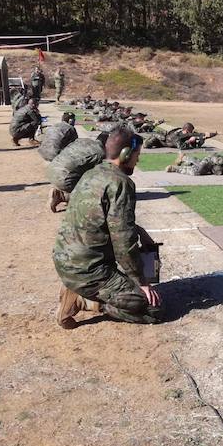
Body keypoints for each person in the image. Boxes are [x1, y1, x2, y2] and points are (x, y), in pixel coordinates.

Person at [53, 129, 163, 327]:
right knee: (152, 309)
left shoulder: (92, 173)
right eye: (137, 156)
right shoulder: (120, 183)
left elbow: (101, 218)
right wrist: (142, 282)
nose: (137, 161)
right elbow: (123, 244)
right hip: (88, 270)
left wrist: (139, 230)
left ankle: (80, 288)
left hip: (65, 261)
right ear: (126, 154)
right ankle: (85, 301)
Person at [142, 122, 217, 150]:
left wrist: (206, 136)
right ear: (186, 131)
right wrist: (190, 141)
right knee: (147, 145)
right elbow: (181, 147)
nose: (191, 133)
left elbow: (196, 136)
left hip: (166, 141)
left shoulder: (183, 132)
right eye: (190, 132)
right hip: (159, 140)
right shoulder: (177, 136)